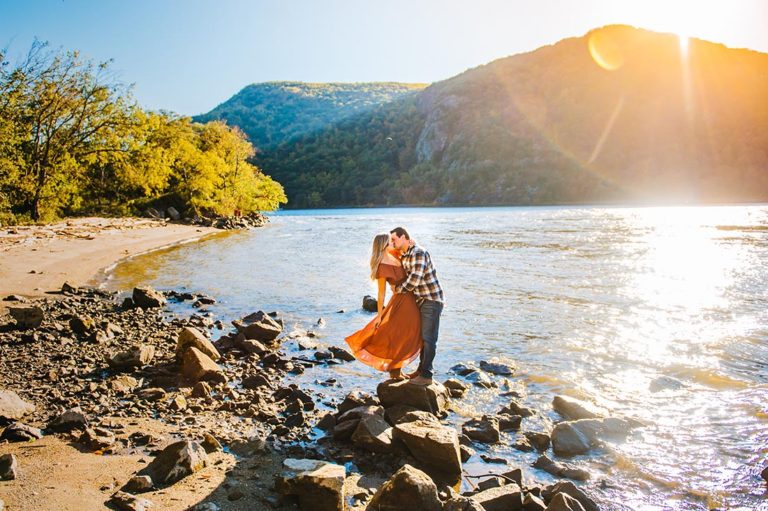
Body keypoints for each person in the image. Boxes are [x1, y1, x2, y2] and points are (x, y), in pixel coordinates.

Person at [345, 233, 422, 380]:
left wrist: (412, 242)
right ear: (384, 244)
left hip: (411, 300)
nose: (393, 242)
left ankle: (398, 370)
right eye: (390, 240)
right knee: (399, 336)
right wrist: (380, 315)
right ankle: (395, 372)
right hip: (402, 302)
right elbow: (381, 294)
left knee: (406, 335)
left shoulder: (396, 254)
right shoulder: (382, 266)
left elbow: (411, 251)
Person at [389, 227, 444, 386]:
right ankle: (421, 370)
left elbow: (415, 279)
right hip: (421, 301)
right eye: (391, 240)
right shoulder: (406, 254)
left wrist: (397, 290)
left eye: (394, 239)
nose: (392, 242)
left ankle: (427, 375)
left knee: (429, 338)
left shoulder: (418, 252)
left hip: (431, 300)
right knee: (422, 338)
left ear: (405, 237)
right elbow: (389, 255)